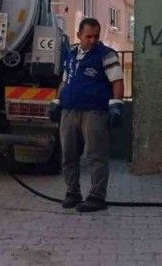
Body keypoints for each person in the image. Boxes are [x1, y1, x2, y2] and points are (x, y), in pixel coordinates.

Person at [48, 18, 125, 213]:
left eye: (96, 36)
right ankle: (72, 193)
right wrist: (57, 102)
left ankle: (97, 197)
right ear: (79, 35)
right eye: (88, 36)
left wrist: (116, 105)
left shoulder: (106, 55)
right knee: (68, 155)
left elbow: (117, 80)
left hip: (94, 112)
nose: (92, 40)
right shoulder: (71, 55)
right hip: (69, 110)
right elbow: (65, 81)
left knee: (96, 156)